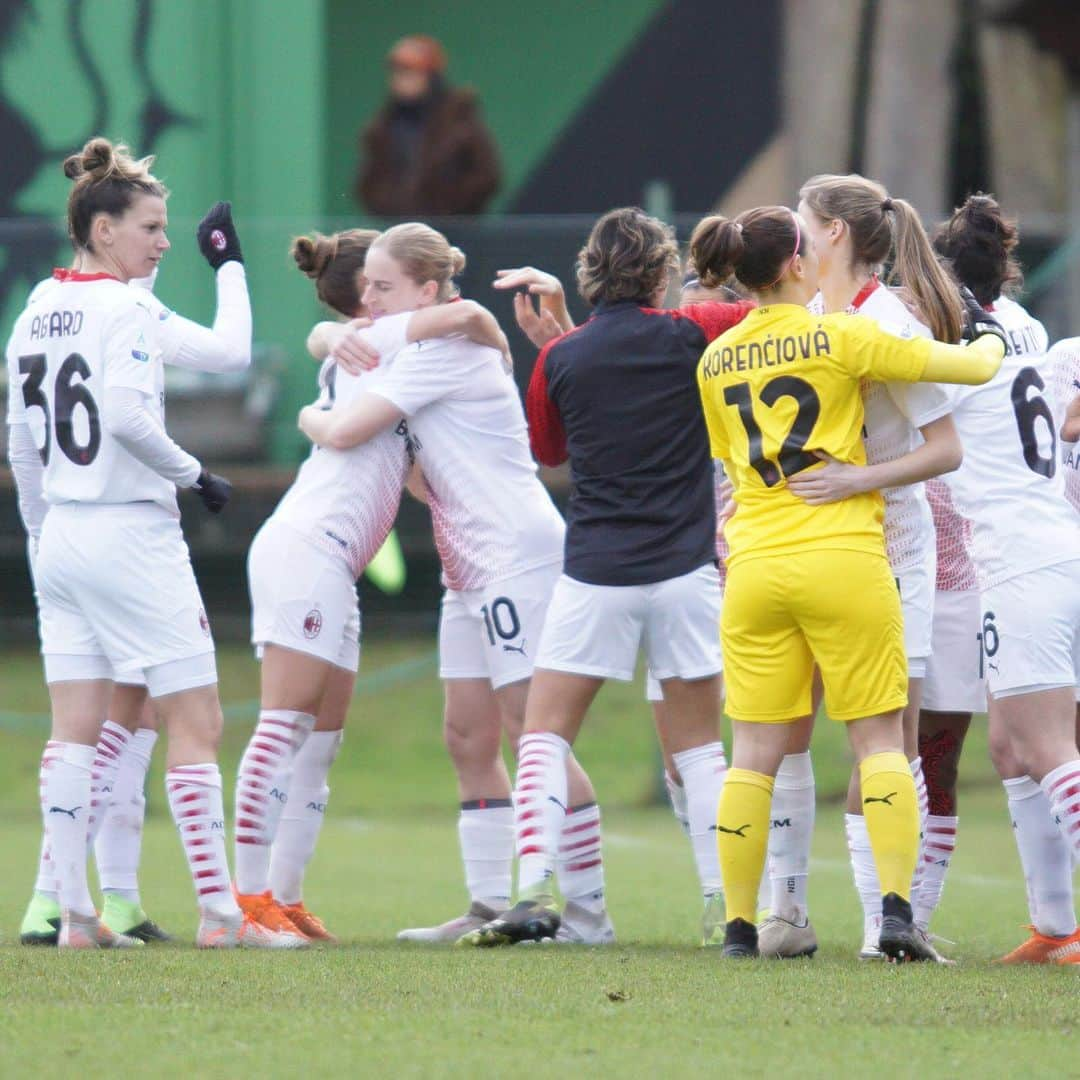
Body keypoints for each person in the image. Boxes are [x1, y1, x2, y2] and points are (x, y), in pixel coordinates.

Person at [691, 204, 1003, 960]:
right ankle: (895, 917)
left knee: (753, 754)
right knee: (878, 742)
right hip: (844, 556)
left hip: (755, 565)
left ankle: (740, 928)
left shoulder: (714, 360)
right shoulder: (842, 333)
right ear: (799, 263)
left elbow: (732, 467)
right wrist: (989, 333)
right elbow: (969, 368)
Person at [5, 137, 295, 948]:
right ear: (103, 231)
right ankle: (217, 916)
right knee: (196, 719)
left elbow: (21, 445)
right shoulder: (126, 311)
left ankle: (75, 916)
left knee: (75, 729)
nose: (164, 242)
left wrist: (41, 541)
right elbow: (132, 418)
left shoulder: (34, 311)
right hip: (130, 530)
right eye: (152, 227)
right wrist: (196, 474)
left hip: (61, 532)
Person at [450, 207, 755, 947]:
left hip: (594, 575)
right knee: (700, 749)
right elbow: (761, 313)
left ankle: (532, 890)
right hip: (686, 571)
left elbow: (548, 452)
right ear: (660, 272)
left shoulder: (563, 358)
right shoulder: (697, 331)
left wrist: (560, 339)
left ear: (590, 275)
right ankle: (727, 907)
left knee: (544, 737)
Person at [232, 227, 513, 942]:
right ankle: (245, 902)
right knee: (283, 726)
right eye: (376, 287)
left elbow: (406, 459)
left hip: (331, 562)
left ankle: (284, 899)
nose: (380, 299)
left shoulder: (368, 345)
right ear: (367, 298)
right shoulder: (383, 341)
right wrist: (477, 320)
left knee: (319, 745)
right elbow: (458, 316)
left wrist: (324, 347)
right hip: (307, 547)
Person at [755, 173, 965, 961]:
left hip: (890, 552)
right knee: (786, 727)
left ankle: (887, 925)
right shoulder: (801, 318)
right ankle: (788, 913)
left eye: (803, 224)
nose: (795, 239)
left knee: (888, 737)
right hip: (805, 550)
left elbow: (944, 450)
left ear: (834, 234)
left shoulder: (890, 323)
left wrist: (855, 480)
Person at [931, 194, 1080, 965]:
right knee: (1012, 750)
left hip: (1024, 558)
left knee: (1049, 747)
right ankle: (1055, 927)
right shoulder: (1028, 329)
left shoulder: (952, 343)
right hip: (1042, 548)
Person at [355, 35, 501, 217]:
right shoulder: (383, 125)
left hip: (453, 231)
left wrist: (450, 209)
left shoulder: (459, 119)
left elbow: (487, 176)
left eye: (410, 72)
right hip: (399, 229)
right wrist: (390, 207)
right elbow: (369, 181)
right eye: (397, 73)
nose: (401, 80)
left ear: (431, 77)